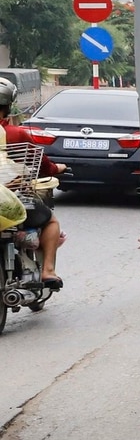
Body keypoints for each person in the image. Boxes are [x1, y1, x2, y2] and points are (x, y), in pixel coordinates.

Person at [0, 77, 62, 288]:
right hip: (10, 201)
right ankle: (48, 271)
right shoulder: (16, 134)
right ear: (8, 106)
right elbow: (44, 167)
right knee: (51, 221)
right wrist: (57, 169)